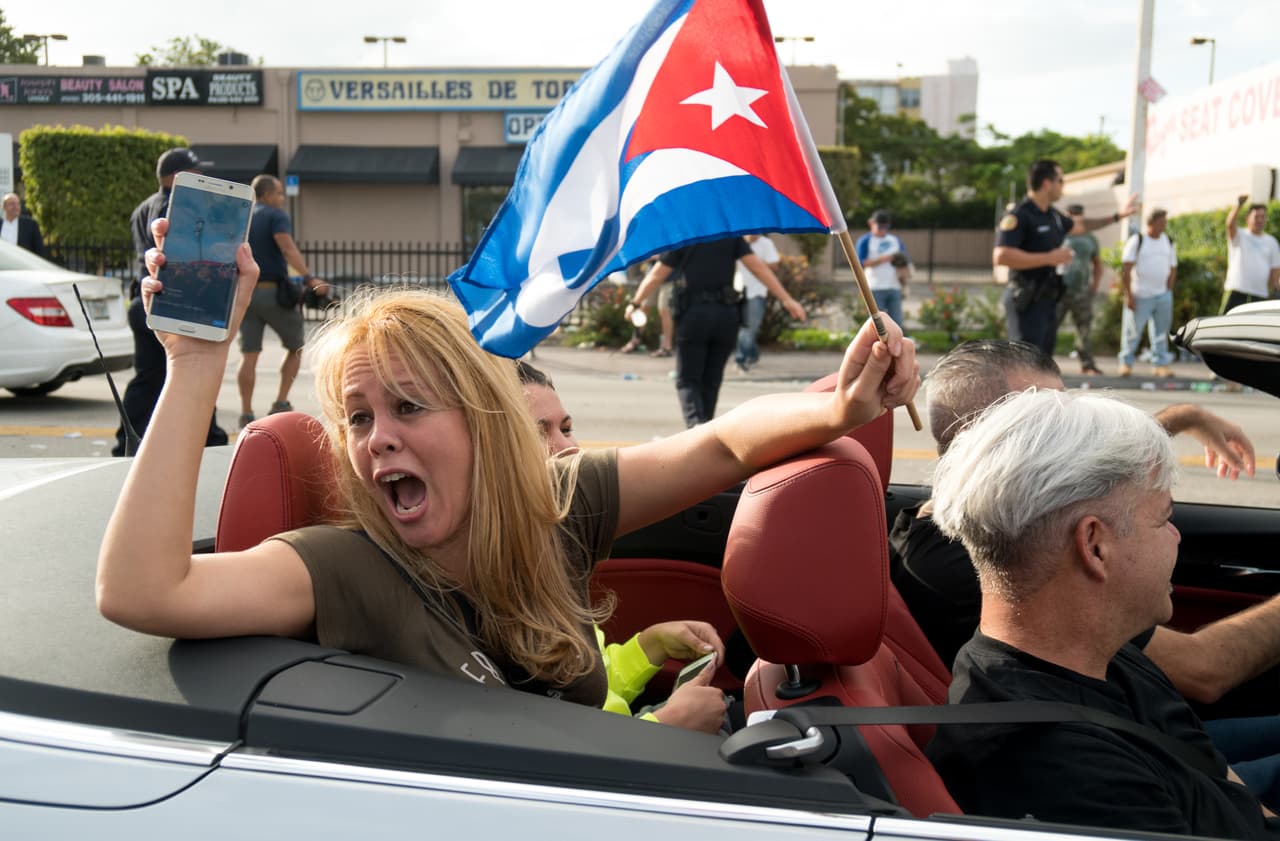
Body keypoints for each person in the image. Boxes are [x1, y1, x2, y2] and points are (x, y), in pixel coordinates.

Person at [97, 218, 917, 724]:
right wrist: (196, 366)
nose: (377, 438)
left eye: (409, 408)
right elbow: (144, 590)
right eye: (358, 417)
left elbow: (720, 447)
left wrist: (840, 410)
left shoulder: (555, 503)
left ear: (484, 422)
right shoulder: (342, 567)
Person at [925, 389, 1276, 839]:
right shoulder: (1056, 766)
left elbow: (1227, 787)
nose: (1176, 537)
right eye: (1163, 518)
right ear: (1095, 545)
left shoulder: (1107, 653)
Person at [515, 360, 730, 733]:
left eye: (567, 429)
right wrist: (666, 729)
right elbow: (551, 749)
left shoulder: (547, 547)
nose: (567, 448)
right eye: (538, 433)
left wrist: (648, 647)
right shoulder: (492, 580)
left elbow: (582, 685)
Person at [112, 148, 227, 457]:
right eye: (194, 172)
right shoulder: (175, 206)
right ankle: (209, 440)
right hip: (170, 301)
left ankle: (129, 439)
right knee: (191, 371)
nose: (200, 177)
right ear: (177, 176)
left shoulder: (144, 206)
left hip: (145, 299)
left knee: (149, 375)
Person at [624, 237, 806, 427]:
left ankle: (696, 427)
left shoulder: (686, 236)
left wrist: (635, 303)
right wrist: (787, 299)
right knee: (712, 379)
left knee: (687, 380)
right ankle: (705, 428)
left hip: (694, 316)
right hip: (726, 316)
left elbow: (657, 275)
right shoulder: (728, 235)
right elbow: (758, 267)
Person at [994, 159, 1138, 356]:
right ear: (1047, 183)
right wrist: (1049, 258)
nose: (1063, 186)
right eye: (1061, 180)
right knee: (1025, 364)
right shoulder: (1019, 215)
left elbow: (1080, 226)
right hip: (1025, 301)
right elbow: (1001, 256)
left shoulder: (1052, 215)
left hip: (1048, 300)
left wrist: (1117, 216)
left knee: (1043, 365)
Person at [238, 174, 329, 428]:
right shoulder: (275, 216)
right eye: (278, 193)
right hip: (272, 291)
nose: (281, 198)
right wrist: (310, 278)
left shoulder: (243, 215)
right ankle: (280, 401)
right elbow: (287, 248)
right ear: (266, 194)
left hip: (245, 293)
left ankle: (246, 411)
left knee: (249, 354)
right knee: (295, 346)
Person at [1119, 208, 1178, 378]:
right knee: (1132, 331)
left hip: (1163, 295)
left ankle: (1160, 364)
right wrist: (1128, 295)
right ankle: (1126, 363)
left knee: (1161, 331)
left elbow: (1173, 266)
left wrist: (1169, 287)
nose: (1164, 226)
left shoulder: (1168, 240)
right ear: (1151, 223)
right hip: (1140, 294)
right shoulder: (1138, 240)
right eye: (1161, 222)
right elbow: (1126, 268)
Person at [1057, 204, 1104, 375]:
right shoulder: (1058, 234)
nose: (1076, 218)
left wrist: (1095, 285)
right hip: (1058, 290)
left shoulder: (1090, 238)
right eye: (1072, 215)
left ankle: (1087, 364)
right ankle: (1042, 364)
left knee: (1084, 329)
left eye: (1079, 215)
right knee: (1049, 328)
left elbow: (1097, 263)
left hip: (1081, 290)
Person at [733, 234, 783, 373]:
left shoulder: (765, 243)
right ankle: (753, 355)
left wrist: (754, 263)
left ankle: (741, 359)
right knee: (742, 329)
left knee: (749, 328)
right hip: (737, 290)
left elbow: (774, 265)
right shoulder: (737, 241)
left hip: (756, 292)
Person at [1222, 196, 1280, 313]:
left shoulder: (1272, 242)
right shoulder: (1239, 235)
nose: (1260, 220)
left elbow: (1275, 274)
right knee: (1226, 325)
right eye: (1256, 217)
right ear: (1247, 218)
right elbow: (1229, 224)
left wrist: (1276, 291)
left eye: (1263, 217)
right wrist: (1238, 205)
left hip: (1260, 295)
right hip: (1236, 291)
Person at [854, 209, 909, 330]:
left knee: (897, 322)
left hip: (894, 285)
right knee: (875, 324)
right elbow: (860, 263)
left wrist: (904, 277)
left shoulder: (894, 240)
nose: (883, 230)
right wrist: (881, 259)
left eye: (885, 227)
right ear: (871, 223)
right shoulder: (865, 241)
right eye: (880, 227)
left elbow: (904, 261)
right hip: (875, 287)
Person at [1, 192, 47, 257]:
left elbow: (39, 250)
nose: (16, 207)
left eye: (18, 204)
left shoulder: (30, 225)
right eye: (12, 204)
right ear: (4, 207)